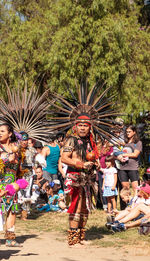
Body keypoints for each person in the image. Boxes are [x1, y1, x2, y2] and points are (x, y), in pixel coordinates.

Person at [61, 113, 99, 246]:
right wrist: (81, 164)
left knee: (85, 208)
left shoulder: (91, 142)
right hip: (75, 177)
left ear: (90, 128)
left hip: (87, 179)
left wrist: (96, 163)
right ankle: (73, 238)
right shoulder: (71, 140)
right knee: (76, 207)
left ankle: (81, 237)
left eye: (85, 126)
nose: (82, 128)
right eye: (80, 125)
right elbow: (64, 158)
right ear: (75, 127)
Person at [0, 123, 20, 247]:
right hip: (0, 184)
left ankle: (10, 238)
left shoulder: (15, 148)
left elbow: (20, 167)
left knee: (12, 210)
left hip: (12, 184)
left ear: (10, 133)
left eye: (2, 131)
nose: (0, 133)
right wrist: (7, 158)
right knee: (0, 211)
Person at [117, 125, 142, 198]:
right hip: (123, 168)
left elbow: (135, 154)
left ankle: (135, 205)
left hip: (133, 168)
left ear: (134, 132)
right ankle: (127, 206)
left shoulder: (138, 142)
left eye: (129, 132)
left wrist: (123, 154)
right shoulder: (124, 143)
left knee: (135, 189)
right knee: (125, 189)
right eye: (127, 132)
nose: (127, 133)